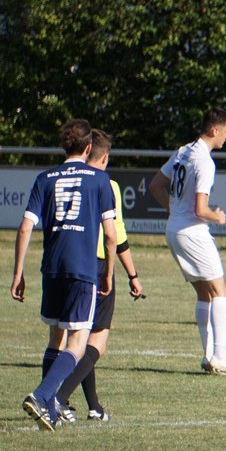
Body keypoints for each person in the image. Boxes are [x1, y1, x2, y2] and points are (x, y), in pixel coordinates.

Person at [12, 119, 118, 430]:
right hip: (82, 270)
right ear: (88, 148)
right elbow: (110, 236)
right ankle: (44, 395)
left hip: (51, 269)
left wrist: (18, 273)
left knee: (55, 339)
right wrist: (108, 274)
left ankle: (50, 412)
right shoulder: (99, 180)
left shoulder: (45, 178)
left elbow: (24, 227)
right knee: (78, 344)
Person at [54, 130, 143, 424]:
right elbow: (115, 234)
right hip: (98, 264)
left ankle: (94, 407)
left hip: (68, 263)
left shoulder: (66, 180)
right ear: (103, 157)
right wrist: (132, 274)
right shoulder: (107, 184)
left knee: (78, 336)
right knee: (96, 341)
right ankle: (57, 396)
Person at [150, 107, 226, 377]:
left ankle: (208, 357)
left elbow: (155, 185)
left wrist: (174, 212)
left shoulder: (183, 151)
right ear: (215, 130)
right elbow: (200, 208)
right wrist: (216, 216)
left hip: (174, 231)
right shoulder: (205, 160)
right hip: (193, 232)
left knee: (204, 293)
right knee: (220, 290)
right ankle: (220, 355)